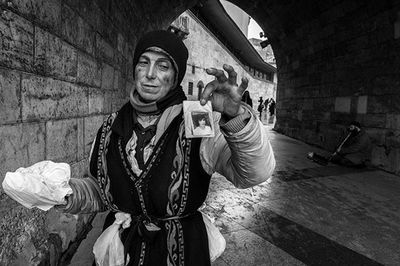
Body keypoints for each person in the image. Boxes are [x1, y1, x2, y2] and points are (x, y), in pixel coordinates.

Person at [57, 30, 275, 266]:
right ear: (134, 69)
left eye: (163, 66)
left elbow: (254, 174)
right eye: (143, 63)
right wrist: (64, 192)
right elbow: (101, 191)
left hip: (182, 252)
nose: (150, 74)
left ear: (176, 75)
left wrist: (236, 116)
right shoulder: (111, 125)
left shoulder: (197, 120)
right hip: (120, 253)